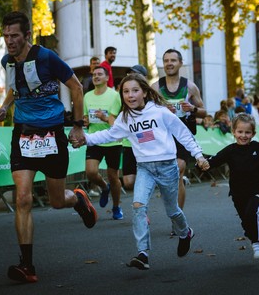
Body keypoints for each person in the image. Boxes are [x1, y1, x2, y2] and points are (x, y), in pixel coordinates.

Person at [0, 11, 97, 283]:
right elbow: (17, 87)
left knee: (57, 201)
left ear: (27, 35)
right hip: (23, 135)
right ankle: (27, 265)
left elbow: (75, 87)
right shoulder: (7, 62)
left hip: (51, 134)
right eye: (5, 36)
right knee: (23, 198)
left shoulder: (47, 57)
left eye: (14, 35)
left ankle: (79, 199)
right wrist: (4, 107)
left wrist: (77, 125)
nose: (9, 41)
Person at [71, 73, 209, 270]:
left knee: (172, 210)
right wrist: (86, 138)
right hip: (144, 168)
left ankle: (185, 232)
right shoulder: (125, 117)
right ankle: (143, 253)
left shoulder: (160, 112)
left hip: (167, 166)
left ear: (144, 92)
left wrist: (199, 156)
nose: (130, 95)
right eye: (126, 92)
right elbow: (110, 134)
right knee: (138, 206)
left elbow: (183, 134)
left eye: (135, 90)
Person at [204, 113, 259, 259]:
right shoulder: (230, 150)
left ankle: (257, 242)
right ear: (233, 131)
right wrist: (202, 163)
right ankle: (250, 232)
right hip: (237, 192)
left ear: (253, 133)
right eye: (240, 132)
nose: (243, 135)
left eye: (247, 132)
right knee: (245, 219)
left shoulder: (258, 148)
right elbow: (214, 161)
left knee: (251, 213)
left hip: (256, 189)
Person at [151, 49, 206, 214]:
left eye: (173, 60)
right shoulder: (155, 87)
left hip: (183, 133)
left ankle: (177, 216)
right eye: (166, 60)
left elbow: (204, 111)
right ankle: (170, 202)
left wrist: (192, 108)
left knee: (179, 169)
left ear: (180, 63)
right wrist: (161, 108)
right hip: (163, 134)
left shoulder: (190, 86)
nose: (169, 63)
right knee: (168, 176)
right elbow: (146, 111)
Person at [83, 65, 123, 219]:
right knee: (91, 172)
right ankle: (103, 187)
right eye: (94, 74)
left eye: (100, 74)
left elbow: (118, 122)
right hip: (94, 139)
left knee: (113, 176)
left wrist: (105, 118)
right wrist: (86, 121)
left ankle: (116, 207)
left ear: (107, 78)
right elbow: (86, 117)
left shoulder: (116, 96)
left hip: (113, 141)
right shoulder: (87, 96)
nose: (96, 77)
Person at [121, 64, 148, 191]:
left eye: (135, 74)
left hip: (147, 145)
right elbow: (115, 121)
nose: (130, 77)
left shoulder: (151, 100)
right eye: (129, 74)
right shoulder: (124, 96)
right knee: (128, 182)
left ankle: (142, 199)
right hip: (129, 144)